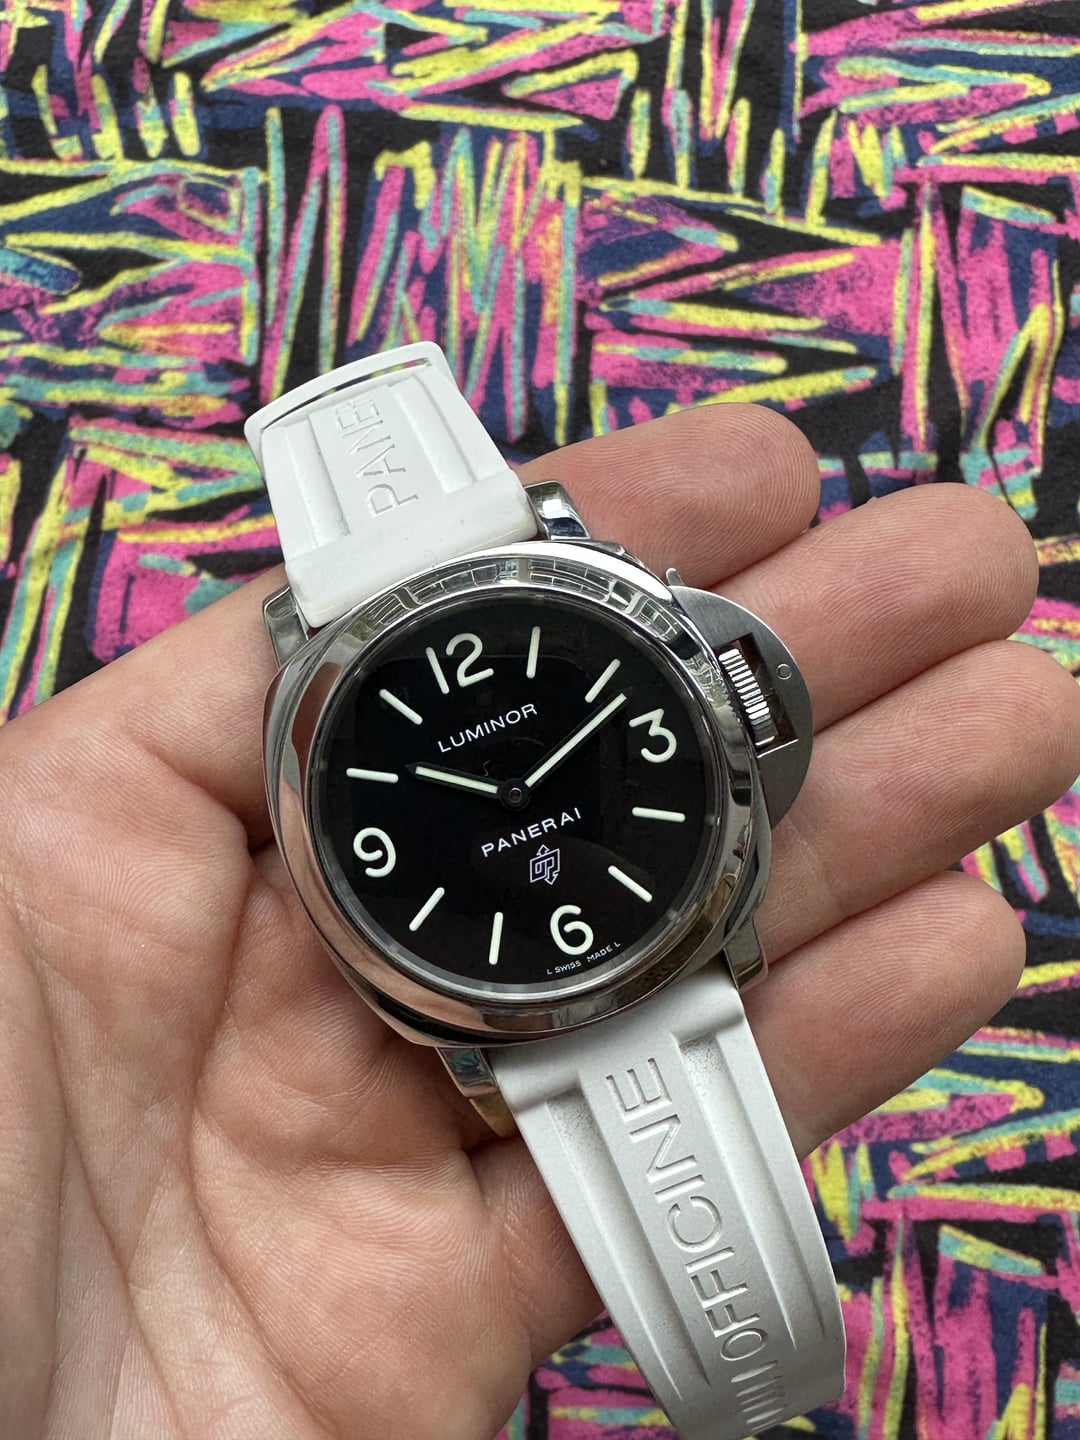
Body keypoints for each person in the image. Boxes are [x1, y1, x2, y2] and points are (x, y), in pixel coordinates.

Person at [0, 400, 1076, 1440]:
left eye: (524, 777)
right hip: (531, 984)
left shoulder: (513, 605)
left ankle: (757, 1374)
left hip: (632, 940)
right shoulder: (320, 708)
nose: (514, 792)